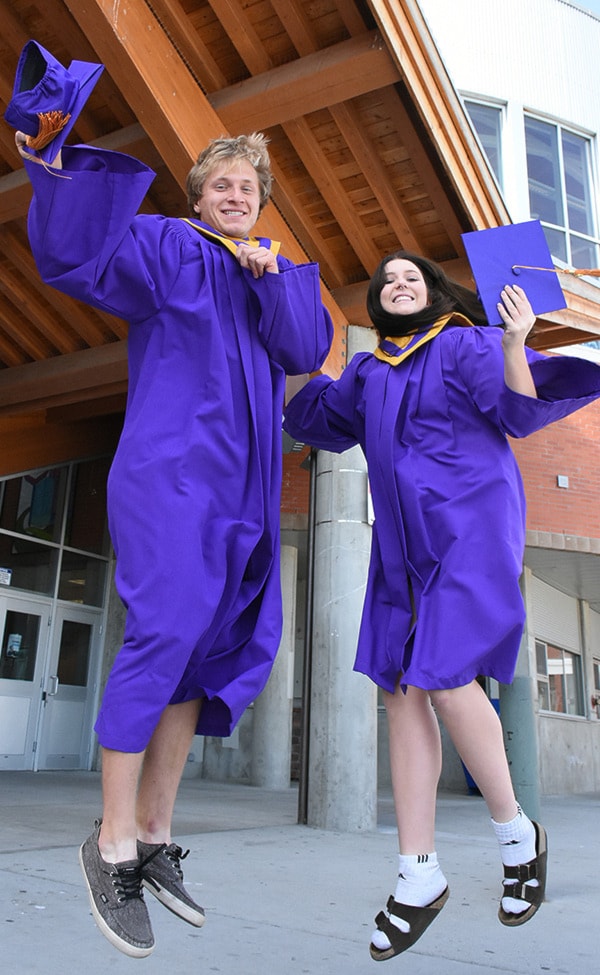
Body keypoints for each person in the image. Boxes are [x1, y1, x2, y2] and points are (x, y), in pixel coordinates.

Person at [15, 128, 333, 958]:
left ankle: (155, 832)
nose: (235, 195)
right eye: (221, 184)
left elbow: (307, 349)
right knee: (165, 630)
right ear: (197, 197)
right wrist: (53, 166)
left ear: (261, 204)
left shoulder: (270, 273)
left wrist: (270, 278)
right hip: (173, 475)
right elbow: (82, 256)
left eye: (248, 188)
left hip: (243, 489)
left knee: (208, 647)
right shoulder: (168, 246)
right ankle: (111, 838)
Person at [283, 251, 600, 961]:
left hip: (469, 532)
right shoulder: (367, 371)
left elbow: (518, 412)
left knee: (447, 679)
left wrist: (514, 342)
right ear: (376, 300)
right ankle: (418, 873)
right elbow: (316, 415)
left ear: (435, 293)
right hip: (399, 546)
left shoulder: (464, 342)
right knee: (400, 690)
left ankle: (516, 834)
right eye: (387, 279)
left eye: (413, 277)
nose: (398, 283)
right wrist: (284, 331)